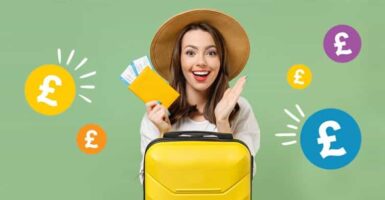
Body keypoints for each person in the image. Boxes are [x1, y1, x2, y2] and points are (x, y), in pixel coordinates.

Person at [139, 9, 260, 184]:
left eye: (211, 52)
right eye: (190, 52)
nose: (201, 61)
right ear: (178, 60)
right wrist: (164, 133)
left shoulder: (239, 108)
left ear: (221, 60)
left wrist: (223, 123)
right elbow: (150, 183)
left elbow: (243, 178)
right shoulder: (157, 114)